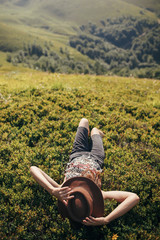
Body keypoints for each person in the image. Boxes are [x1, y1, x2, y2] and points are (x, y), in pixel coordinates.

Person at [30, 118, 140, 226]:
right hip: (96, 158)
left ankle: (93, 132)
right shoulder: (100, 194)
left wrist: (53, 190)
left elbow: (34, 168)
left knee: (84, 121)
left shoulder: (64, 190)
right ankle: (96, 132)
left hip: (77, 153)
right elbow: (134, 197)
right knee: (95, 132)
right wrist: (106, 219)